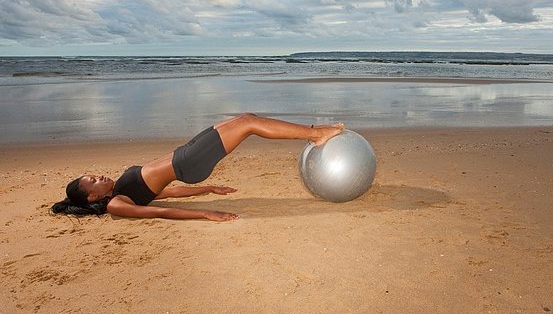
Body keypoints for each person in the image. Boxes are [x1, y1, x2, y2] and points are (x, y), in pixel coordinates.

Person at [52, 113, 344, 221]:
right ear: (92, 198)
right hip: (188, 162)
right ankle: (316, 133)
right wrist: (205, 213)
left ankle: (315, 131)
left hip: (186, 153)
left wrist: (209, 189)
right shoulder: (116, 204)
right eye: (92, 181)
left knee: (244, 118)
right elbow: (157, 211)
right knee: (249, 124)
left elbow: (168, 195)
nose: (98, 176)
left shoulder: (120, 189)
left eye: (93, 174)